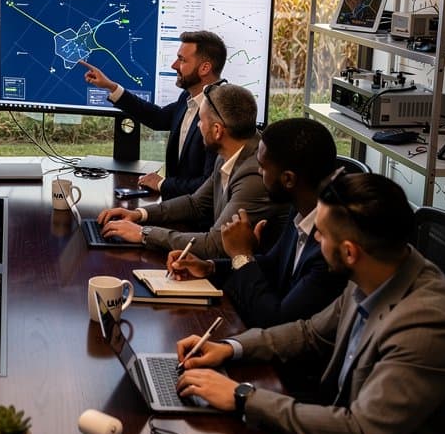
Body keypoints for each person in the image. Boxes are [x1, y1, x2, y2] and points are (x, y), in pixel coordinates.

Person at [174, 173, 445, 434]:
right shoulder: (377, 270)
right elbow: (310, 333)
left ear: (350, 252)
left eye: (320, 233)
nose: (314, 237)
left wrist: (242, 396)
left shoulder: (429, 327)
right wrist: (230, 348)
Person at [169, 117, 347, 329]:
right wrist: (210, 268)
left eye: (262, 167)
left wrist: (241, 256)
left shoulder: (330, 245)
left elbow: (275, 321)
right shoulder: (302, 206)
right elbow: (274, 264)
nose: (259, 173)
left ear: (288, 179)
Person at [97, 82, 289, 260]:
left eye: (200, 120)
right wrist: (139, 215)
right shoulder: (230, 151)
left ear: (217, 131)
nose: (197, 125)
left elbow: (215, 244)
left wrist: (142, 234)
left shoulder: (253, 175)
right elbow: (196, 203)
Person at [80, 30, 225, 199]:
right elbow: (159, 118)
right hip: (176, 206)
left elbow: (209, 184)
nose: (174, 65)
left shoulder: (222, 111)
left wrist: (161, 183)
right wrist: (111, 87)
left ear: (205, 68)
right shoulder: (189, 96)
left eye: (182, 60)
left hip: (197, 219)